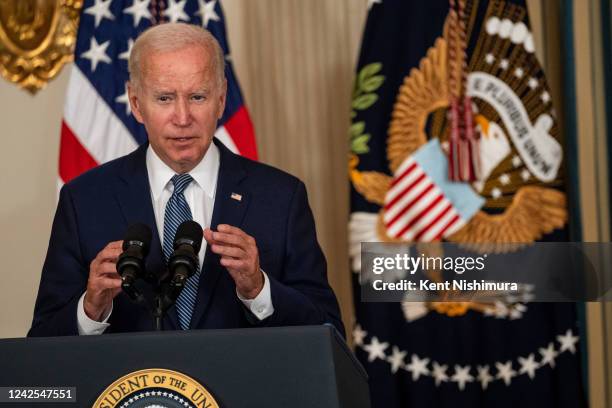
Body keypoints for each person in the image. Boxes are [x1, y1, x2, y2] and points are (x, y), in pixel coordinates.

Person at [28, 23, 343, 337]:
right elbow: (41, 348)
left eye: (197, 96)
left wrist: (259, 289)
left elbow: (330, 332)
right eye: (164, 98)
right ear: (136, 104)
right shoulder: (84, 200)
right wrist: (91, 309)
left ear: (220, 100)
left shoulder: (280, 198)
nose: (182, 118)